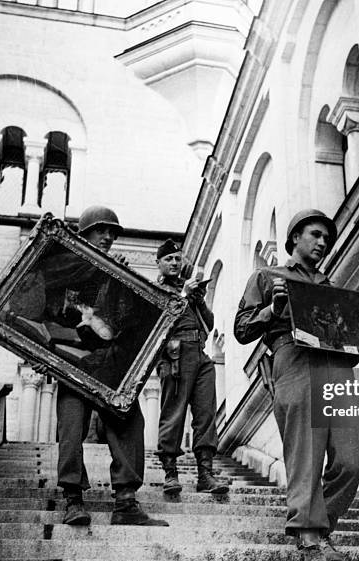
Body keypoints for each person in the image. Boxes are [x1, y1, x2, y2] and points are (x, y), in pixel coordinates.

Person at [234, 209, 359, 561]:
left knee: (351, 459)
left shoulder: (332, 287)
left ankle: (322, 526)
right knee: (306, 456)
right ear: (295, 237)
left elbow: (346, 334)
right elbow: (241, 330)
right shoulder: (268, 278)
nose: (322, 244)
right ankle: (311, 546)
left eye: (327, 240)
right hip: (294, 362)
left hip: (338, 368)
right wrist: (272, 309)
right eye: (315, 235)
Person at [33, 206, 168, 527]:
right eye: (100, 230)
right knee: (71, 427)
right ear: (83, 235)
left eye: (112, 232)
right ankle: (73, 500)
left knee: (128, 422)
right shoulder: (58, 273)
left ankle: (125, 502)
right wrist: (40, 353)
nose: (108, 237)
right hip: (73, 362)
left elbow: (128, 323)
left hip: (110, 367)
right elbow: (41, 317)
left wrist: (122, 281)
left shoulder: (117, 274)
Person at [155, 239, 228, 496]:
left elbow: (208, 323)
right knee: (173, 413)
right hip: (175, 355)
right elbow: (160, 320)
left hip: (200, 352)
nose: (174, 263)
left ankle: (205, 474)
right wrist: (185, 295)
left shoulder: (187, 290)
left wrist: (200, 301)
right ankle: (170, 472)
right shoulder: (155, 290)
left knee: (206, 413)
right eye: (168, 259)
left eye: (177, 258)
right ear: (159, 263)